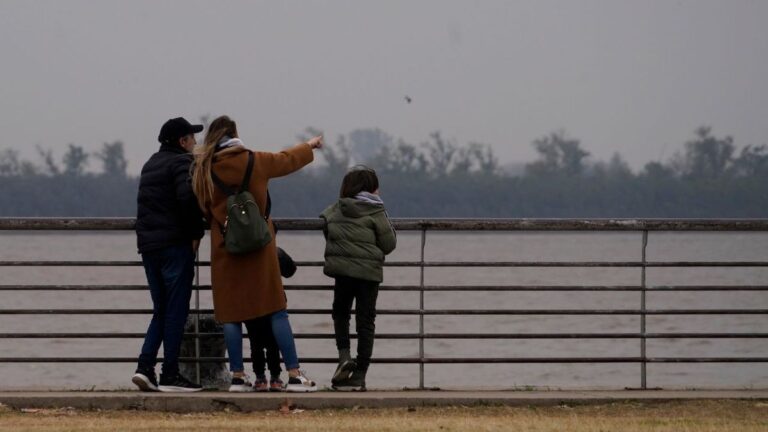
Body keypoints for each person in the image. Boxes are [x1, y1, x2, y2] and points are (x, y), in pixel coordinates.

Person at [191, 115, 323, 392]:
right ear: (235, 133)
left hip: (225, 248)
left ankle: (238, 376)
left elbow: (203, 207)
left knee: (230, 315)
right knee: (276, 311)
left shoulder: (203, 169)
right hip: (260, 247)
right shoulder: (255, 160)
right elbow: (287, 159)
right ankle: (294, 375)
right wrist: (309, 146)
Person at [132, 117, 207, 392]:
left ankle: (144, 367)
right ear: (182, 141)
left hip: (149, 246)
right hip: (175, 245)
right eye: (192, 138)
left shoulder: (150, 164)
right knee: (176, 311)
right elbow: (186, 199)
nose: (195, 143)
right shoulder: (181, 163)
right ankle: (170, 373)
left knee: (161, 310)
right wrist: (196, 233)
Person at [320, 166, 397, 391]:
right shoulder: (376, 211)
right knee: (365, 322)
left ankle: (344, 355)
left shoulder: (337, 207)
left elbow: (327, 226)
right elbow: (389, 244)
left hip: (342, 272)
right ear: (373, 189)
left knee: (341, 313)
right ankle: (360, 374)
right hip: (368, 275)